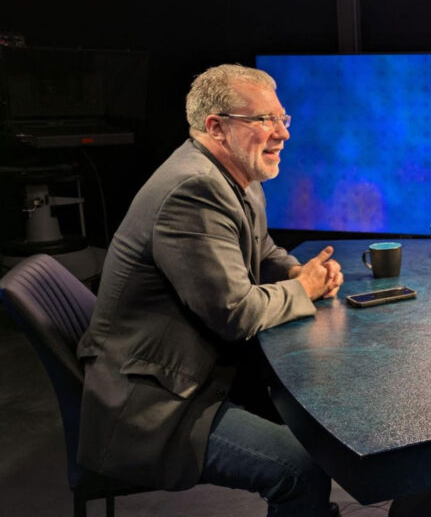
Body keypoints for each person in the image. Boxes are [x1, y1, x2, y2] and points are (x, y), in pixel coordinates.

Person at [77, 64, 344, 516]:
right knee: (300, 468)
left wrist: (301, 271)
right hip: (155, 406)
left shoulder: (237, 174)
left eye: (283, 119)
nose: (282, 134)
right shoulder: (193, 189)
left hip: (200, 373)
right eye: (264, 121)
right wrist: (305, 289)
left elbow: (260, 249)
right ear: (216, 127)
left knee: (321, 417)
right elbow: (236, 313)